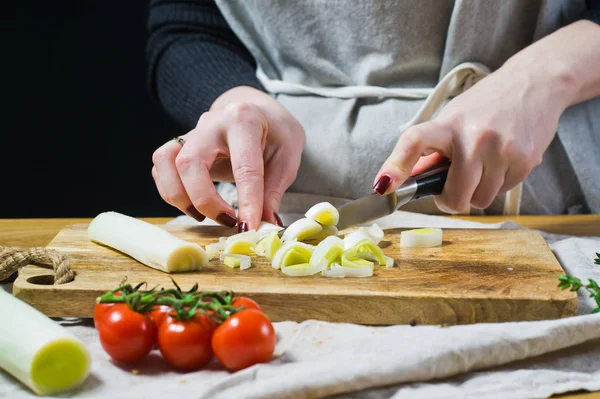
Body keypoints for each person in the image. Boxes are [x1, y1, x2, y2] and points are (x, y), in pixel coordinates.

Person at [146, 0, 600, 232]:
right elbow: (186, 23)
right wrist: (233, 100)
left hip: (545, 208)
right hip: (272, 204)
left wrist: (540, 79)